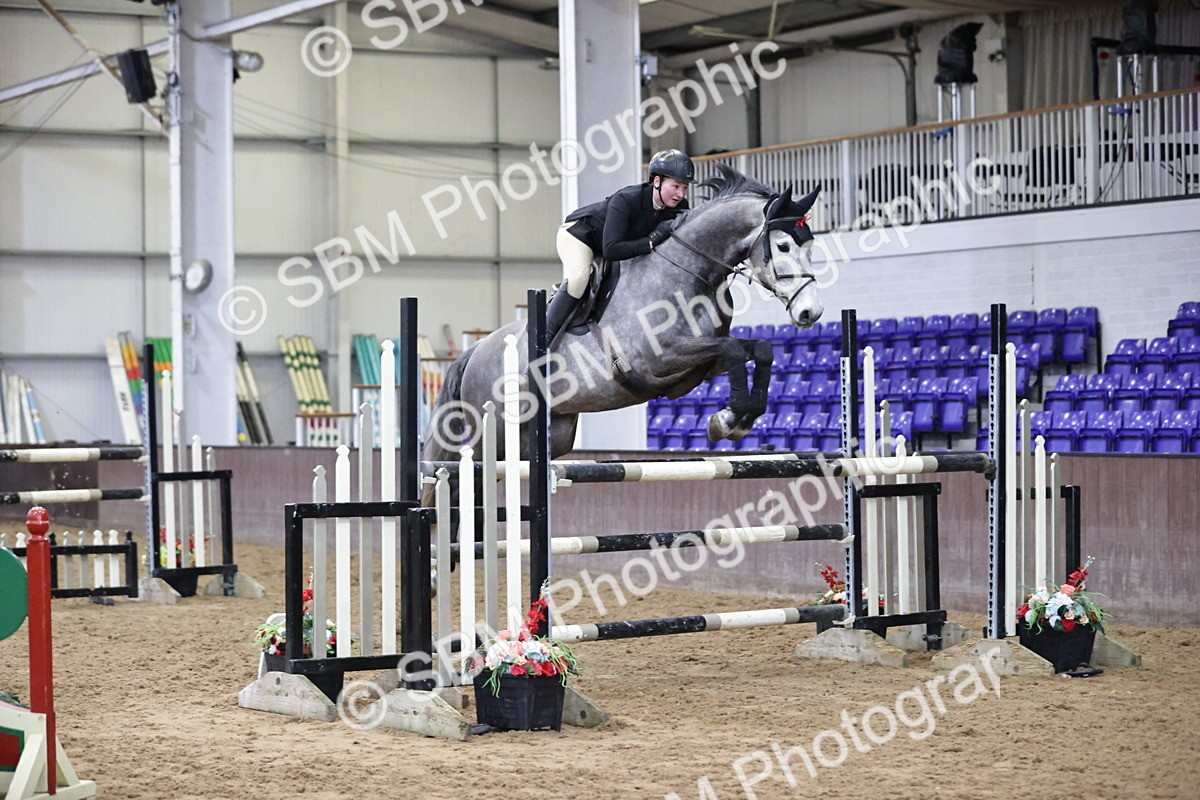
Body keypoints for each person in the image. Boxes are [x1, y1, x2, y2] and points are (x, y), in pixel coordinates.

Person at [546, 148, 695, 340]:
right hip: (579, 238)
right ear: (657, 181)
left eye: (685, 188)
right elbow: (611, 250)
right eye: (675, 186)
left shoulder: (680, 208)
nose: (681, 194)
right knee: (579, 278)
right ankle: (543, 337)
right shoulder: (626, 200)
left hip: (615, 245)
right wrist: (653, 239)